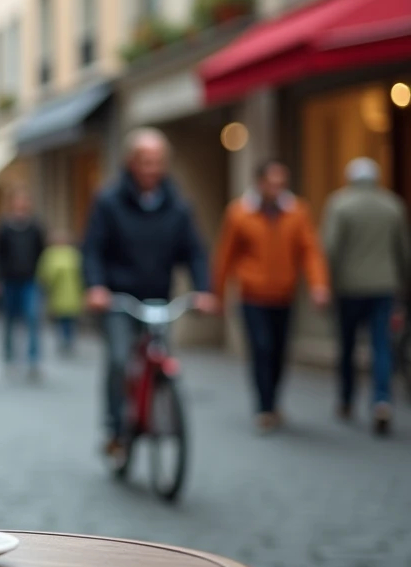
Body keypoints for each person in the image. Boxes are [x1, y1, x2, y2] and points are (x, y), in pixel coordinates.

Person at [82, 128, 216, 460]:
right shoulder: (109, 202)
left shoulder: (178, 206)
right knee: (117, 360)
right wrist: (97, 286)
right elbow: (93, 250)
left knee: (158, 357)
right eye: (145, 161)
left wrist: (204, 289)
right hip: (119, 299)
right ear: (131, 162)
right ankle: (115, 427)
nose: (151, 168)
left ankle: (156, 411)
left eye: (157, 162)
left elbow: (195, 251)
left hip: (158, 299)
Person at [213, 160, 329, 433]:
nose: (277, 189)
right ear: (260, 183)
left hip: (284, 295)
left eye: (282, 184)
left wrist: (318, 285)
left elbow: (310, 250)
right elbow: (225, 256)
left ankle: (273, 401)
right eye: (272, 183)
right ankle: (264, 407)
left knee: (278, 352)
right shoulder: (240, 213)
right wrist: (217, 294)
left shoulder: (297, 211)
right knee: (261, 348)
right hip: (252, 296)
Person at [322, 157, 411, 437]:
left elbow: (330, 248)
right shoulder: (393, 205)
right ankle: (381, 401)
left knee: (347, 346)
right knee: (381, 345)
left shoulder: (339, 204)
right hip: (384, 286)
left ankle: (347, 400)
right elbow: (404, 251)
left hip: (349, 287)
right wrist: (404, 284)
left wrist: (328, 284)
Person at [0, 188, 46, 379]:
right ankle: (9, 358)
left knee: (32, 318)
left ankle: (33, 360)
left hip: (30, 280)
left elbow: (41, 250)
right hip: (9, 280)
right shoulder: (4, 227)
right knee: (9, 320)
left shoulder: (35, 227)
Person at [36, 229, 83, 357]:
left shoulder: (66, 254)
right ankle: (65, 341)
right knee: (63, 318)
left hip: (68, 292)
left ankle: (66, 341)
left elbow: (45, 273)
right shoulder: (69, 254)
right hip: (62, 292)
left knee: (68, 319)